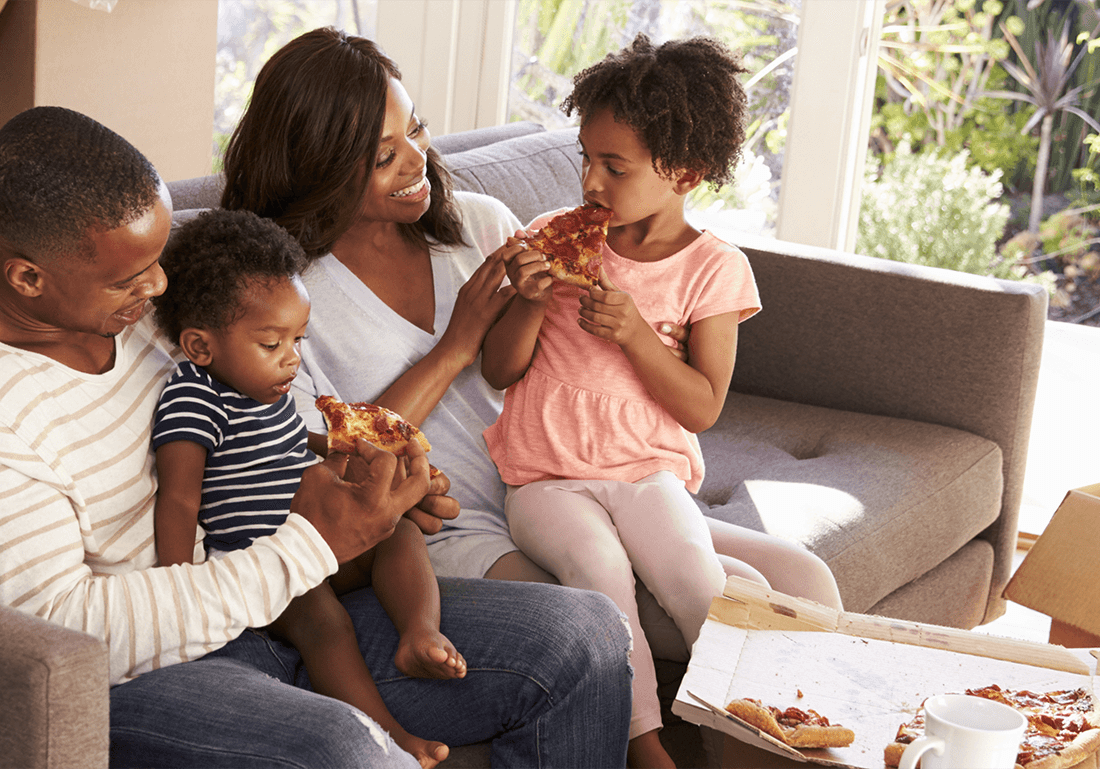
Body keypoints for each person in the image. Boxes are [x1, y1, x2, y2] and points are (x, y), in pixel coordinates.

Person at [0, 105, 630, 769]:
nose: (160, 289)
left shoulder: (123, 309)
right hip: (138, 678)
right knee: (340, 749)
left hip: (265, 596)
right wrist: (314, 543)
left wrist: (356, 483)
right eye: (130, 279)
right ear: (27, 278)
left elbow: (245, 417)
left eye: (155, 262)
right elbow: (65, 643)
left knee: (586, 633)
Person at [224, 28, 846, 767]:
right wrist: (460, 340)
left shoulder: (482, 226)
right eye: (384, 155)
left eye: (415, 130)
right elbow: (330, 459)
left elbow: (574, 359)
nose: (417, 160)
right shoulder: (285, 300)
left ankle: (800, 745)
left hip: (574, 481)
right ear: (319, 167)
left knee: (800, 583)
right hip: (451, 533)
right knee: (678, 608)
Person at [479, 35, 845, 767]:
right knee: (600, 570)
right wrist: (527, 300)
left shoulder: (714, 269)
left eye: (615, 167)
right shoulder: (550, 238)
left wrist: (638, 336)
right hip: (545, 478)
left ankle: (728, 732)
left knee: (695, 577)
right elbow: (499, 368)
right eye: (585, 157)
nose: (591, 181)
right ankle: (643, 737)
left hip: (647, 472)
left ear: (686, 172)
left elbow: (703, 405)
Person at [148, 209, 466, 767]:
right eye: (272, 344)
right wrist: (181, 593)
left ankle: (419, 632)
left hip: (318, 541)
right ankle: (390, 735)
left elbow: (295, 443)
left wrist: (340, 448)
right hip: (265, 563)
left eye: (298, 338)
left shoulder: (268, 392)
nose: (293, 358)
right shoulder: (194, 397)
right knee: (325, 623)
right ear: (200, 346)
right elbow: (179, 497)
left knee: (399, 531)